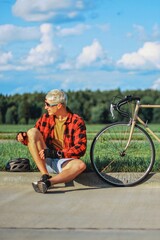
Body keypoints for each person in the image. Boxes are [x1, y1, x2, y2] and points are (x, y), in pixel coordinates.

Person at [16, 89, 87, 193]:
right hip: (45, 159)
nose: (45, 107)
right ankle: (45, 175)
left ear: (59, 105)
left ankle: (48, 183)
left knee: (81, 165)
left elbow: (81, 148)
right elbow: (33, 139)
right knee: (32, 131)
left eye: (48, 104)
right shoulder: (45, 118)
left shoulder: (77, 121)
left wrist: (56, 153)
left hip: (64, 161)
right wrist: (22, 137)